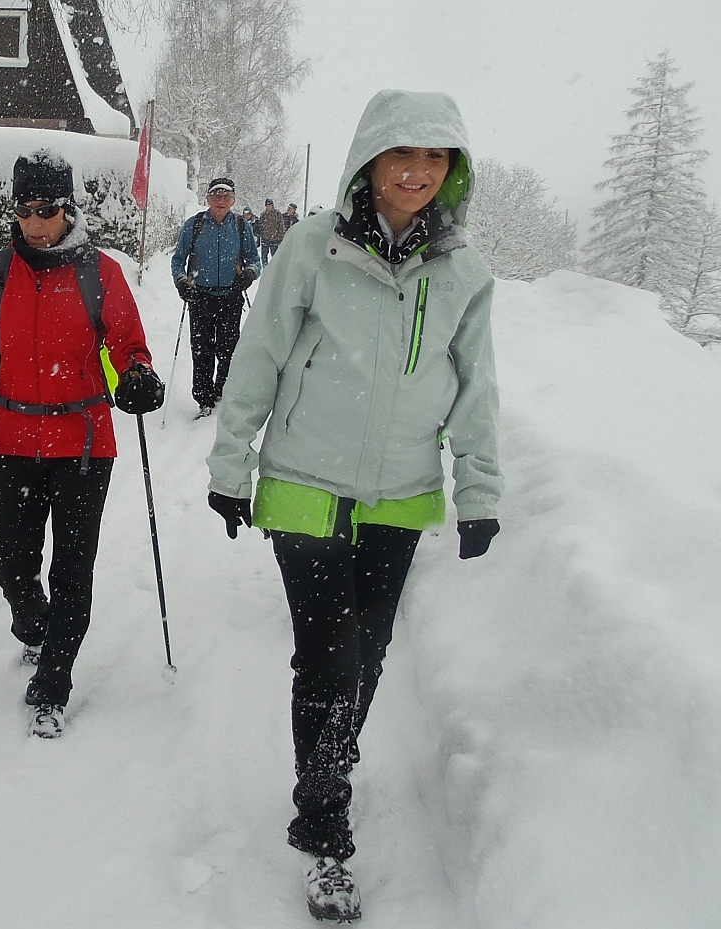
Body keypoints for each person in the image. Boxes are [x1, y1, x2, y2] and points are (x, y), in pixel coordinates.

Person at [205, 90, 502, 923]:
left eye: (435, 158)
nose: (416, 172)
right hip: (304, 481)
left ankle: (330, 755)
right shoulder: (312, 246)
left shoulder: (464, 273)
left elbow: (478, 390)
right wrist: (232, 464)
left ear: (453, 171)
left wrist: (479, 486)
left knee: (368, 657)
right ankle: (325, 822)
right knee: (330, 655)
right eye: (401, 154)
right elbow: (258, 354)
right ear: (369, 159)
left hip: (401, 493)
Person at [0, 150, 164, 738]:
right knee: (11, 562)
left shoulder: (99, 272)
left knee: (72, 569)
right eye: (24, 210)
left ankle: (53, 681)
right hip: (13, 440)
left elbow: (128, 345)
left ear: (67, 209)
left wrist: (137, 377)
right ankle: (34, 626)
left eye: (46, 210)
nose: (35, 222)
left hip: (83, 445)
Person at [171, 177, 260, 419]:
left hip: (231, 296)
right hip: (200, 296)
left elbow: (254, 260)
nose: (220, 200)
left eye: (225, 196)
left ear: (233, 200)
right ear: (208, 198)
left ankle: (222, 392)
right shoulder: (195, 225)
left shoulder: (241, 226)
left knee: (229, 349)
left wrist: (250, 274)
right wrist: (181, 282)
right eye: (216, 195)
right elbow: (178, 260)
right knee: (202, 350)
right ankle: (204, 399)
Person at [257, 198, 286, 266]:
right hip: (265, 238)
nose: (268, 207)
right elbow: (260, 226)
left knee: (275, 256)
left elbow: (281, 226)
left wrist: (280, 237)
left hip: (274, 239)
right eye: (267, 206)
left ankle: (274, 268)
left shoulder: (277, 214)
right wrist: (260, 235)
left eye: (270, 206)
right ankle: (265, 268)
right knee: (264, 256)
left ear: (272, 206)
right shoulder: (263, 215)